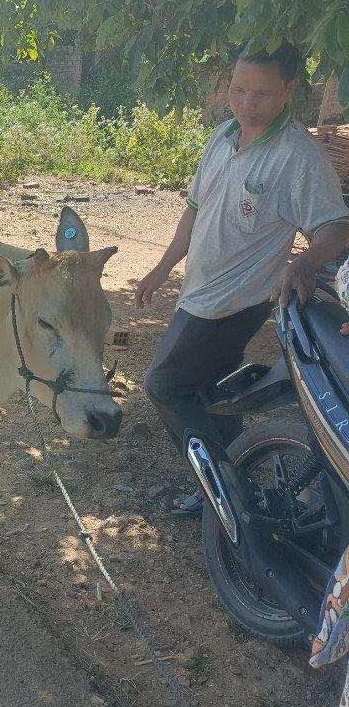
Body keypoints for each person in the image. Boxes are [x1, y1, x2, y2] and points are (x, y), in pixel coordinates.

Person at [136, 42, 349, 516]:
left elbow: (336, 225)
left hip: (235, 303)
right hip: (198, 290)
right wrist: (163, 266)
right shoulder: (223, 137)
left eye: (262, 94)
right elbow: (195, 208)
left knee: (165, 385)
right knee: (205, 390)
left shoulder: (298, 156)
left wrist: (305, 261)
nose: (246, 104)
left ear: (290, 90)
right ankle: (240, 470)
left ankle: (224, 491)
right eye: (237, 89)